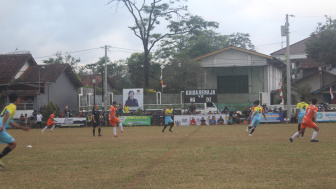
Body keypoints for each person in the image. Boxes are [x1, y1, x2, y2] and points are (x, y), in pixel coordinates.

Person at [0, 92, 30, 168]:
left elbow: (11, 122)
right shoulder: (12, 107)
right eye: (19, 98)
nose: (19, 100)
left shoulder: (8, 106)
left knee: (12, 144)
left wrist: (23, 128)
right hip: (0, 128)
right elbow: (7, 114)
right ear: (17, 99)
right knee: (13, 144)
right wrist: (3, 125)